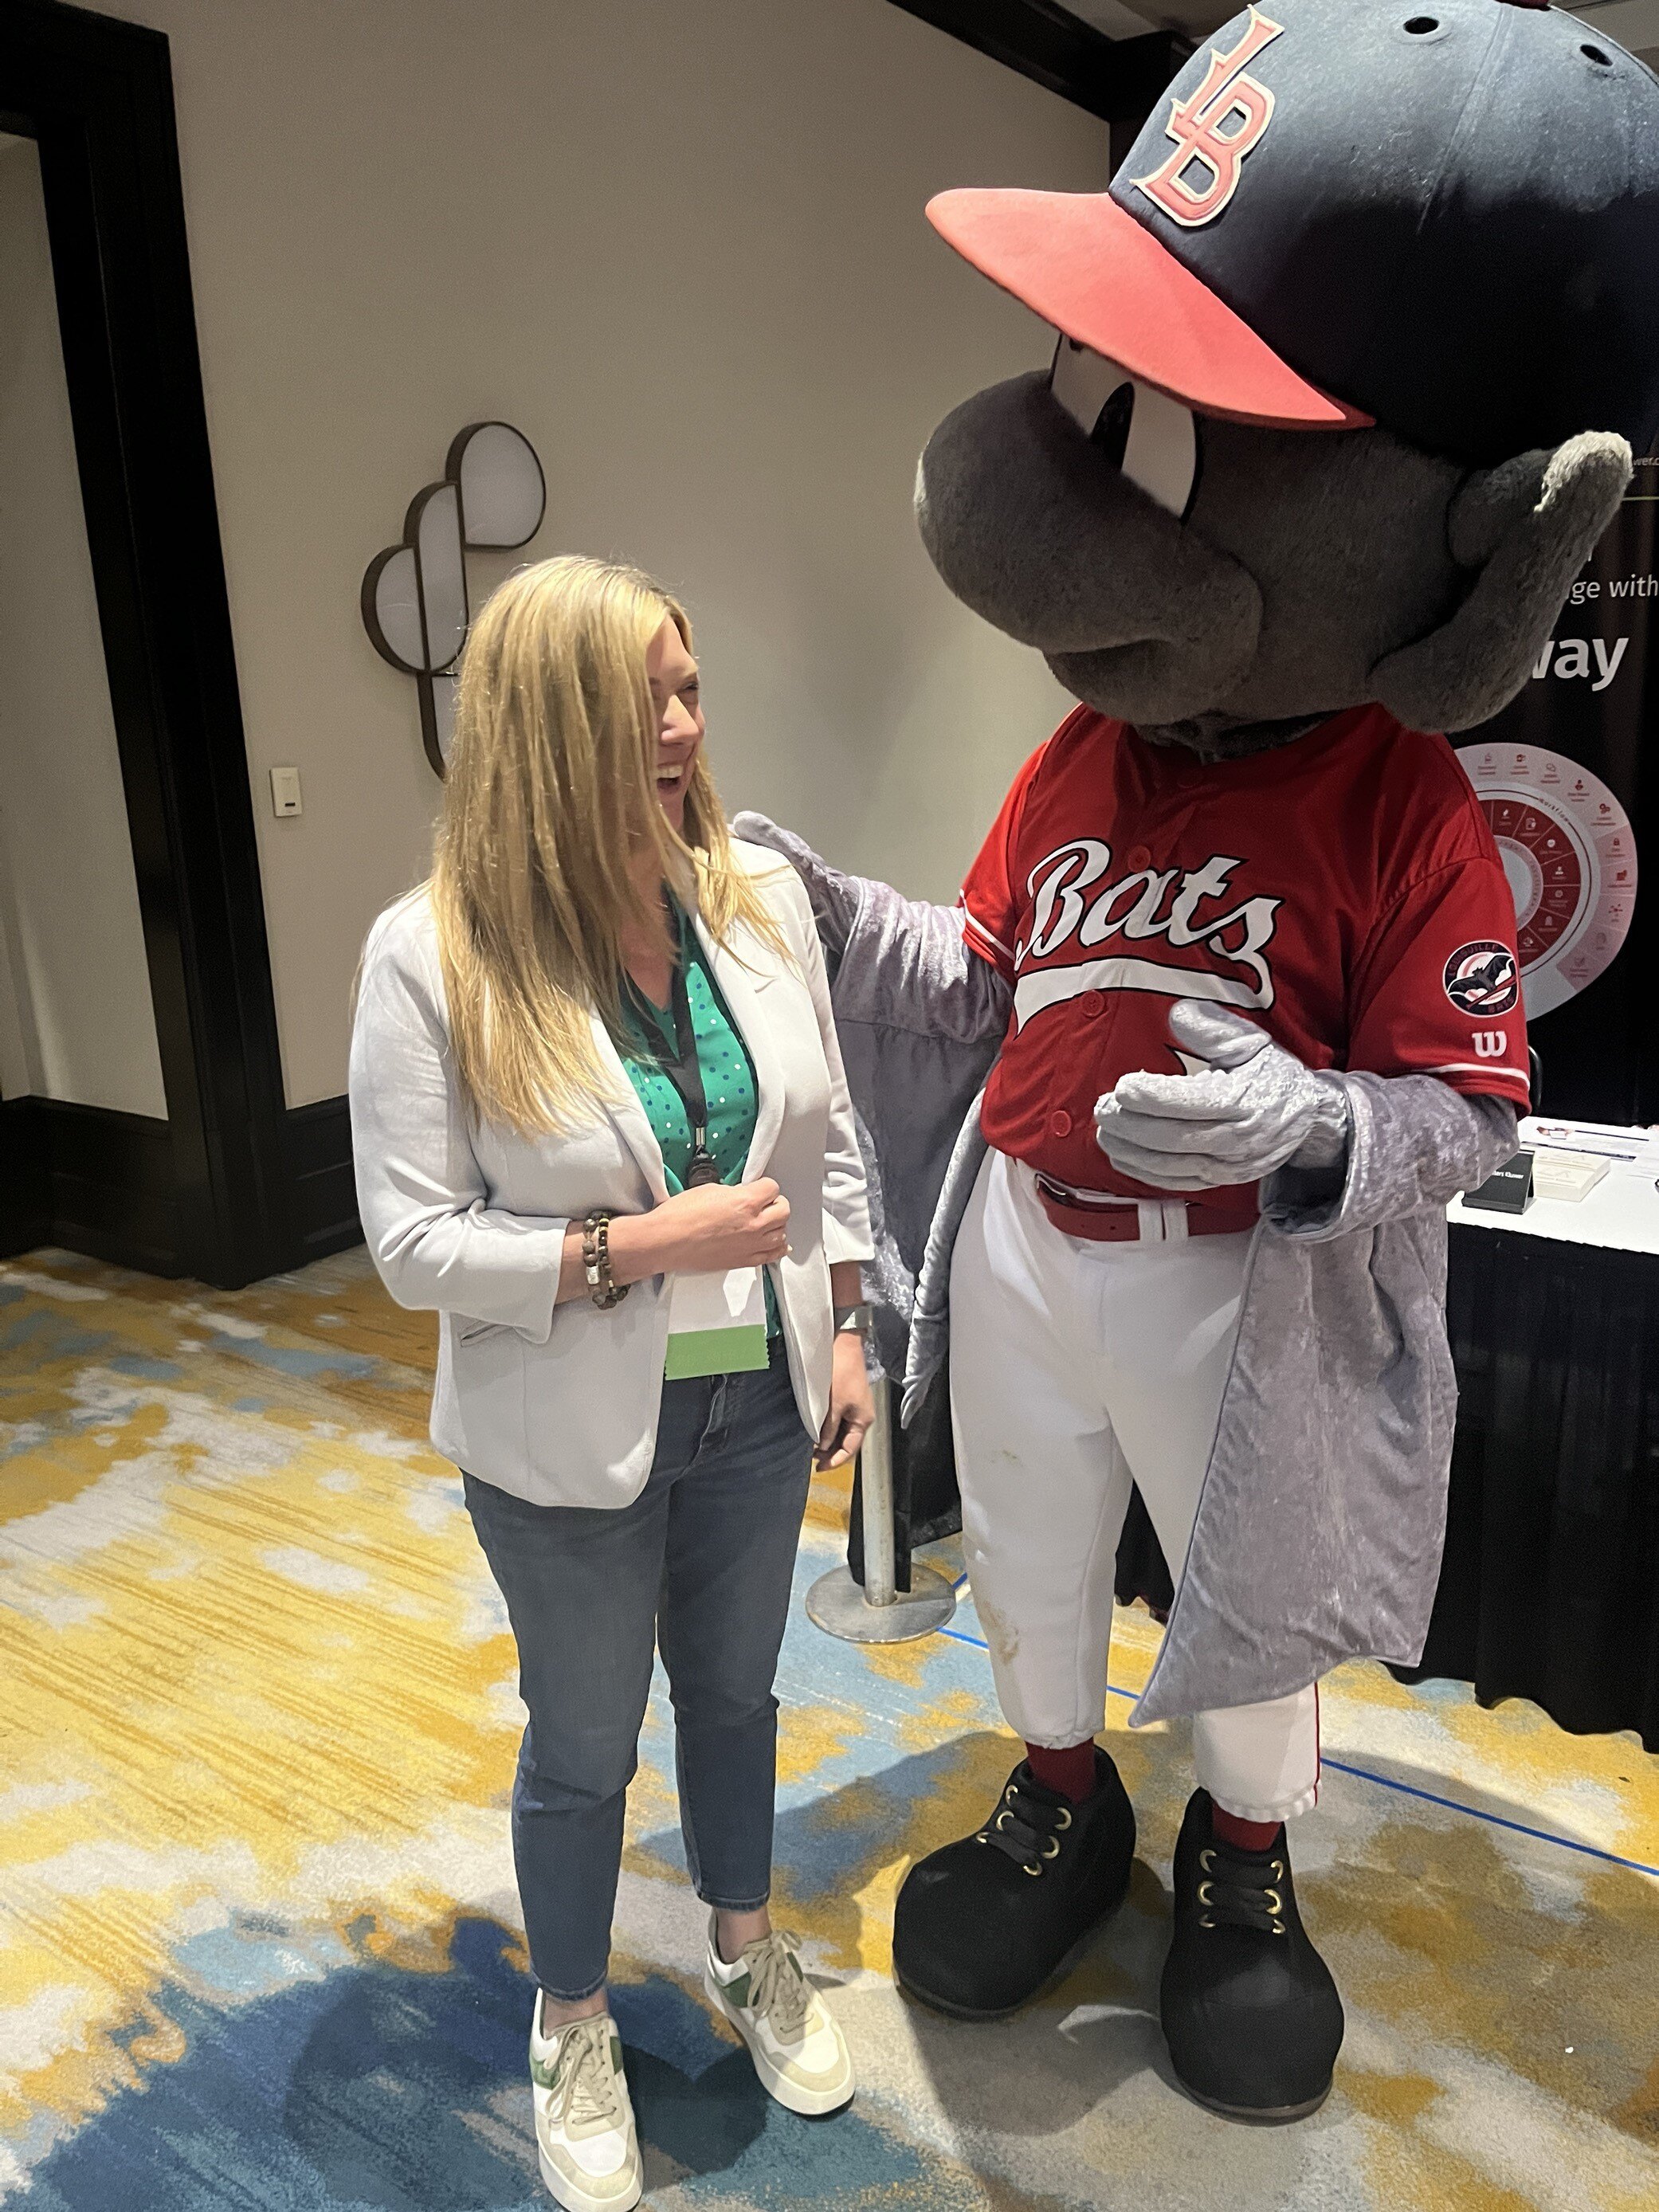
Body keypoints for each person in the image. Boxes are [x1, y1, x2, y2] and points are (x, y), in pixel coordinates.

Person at [349, 555, 875, 2210]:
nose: (678, 722)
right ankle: (572, 2018)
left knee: (736, 1699)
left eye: (690, 684)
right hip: (564, 1427)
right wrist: (640, 1243)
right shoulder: (433, 951)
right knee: (582, 1740)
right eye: (638, 694)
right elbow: (414, 1243)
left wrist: (847, 1317)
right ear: (540, 721)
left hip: (759, 1403)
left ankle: (746, 1944)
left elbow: (831, 1134)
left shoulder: (753, 896)